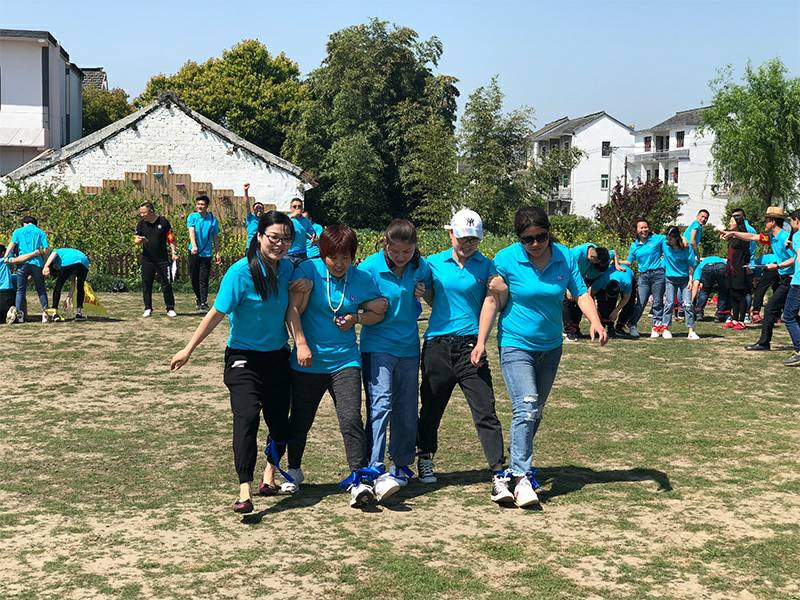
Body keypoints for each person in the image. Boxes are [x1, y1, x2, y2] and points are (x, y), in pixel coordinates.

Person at [472, 207, 608, 508]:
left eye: (541, 237)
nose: (535, 244)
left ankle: (513, 465)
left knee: (535, 411)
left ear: (549, 233)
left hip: (550, 346)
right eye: (528, 239)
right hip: (516, 343)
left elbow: (580, 293)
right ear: (519, 239)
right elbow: (492, 301)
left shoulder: (564, 256)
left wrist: (596, 322)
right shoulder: (506, 259)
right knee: (527, 405)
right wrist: (481, 341)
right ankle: (522, 477)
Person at [170, 211, 299, 514]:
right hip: (243, 359)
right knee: (247, 416)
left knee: (280, 423)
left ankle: (269, 474)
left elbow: (296, 301)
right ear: (259, 236)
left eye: (286, 239)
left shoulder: (288, 269)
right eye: (274, 237)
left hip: (277, 357)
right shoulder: (240, 272)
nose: (279, 244)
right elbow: (216, 313)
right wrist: (188, 349)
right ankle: (244, 489)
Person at [284, 225, 389, 507]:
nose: (339, 263)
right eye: (333, 257)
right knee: (301, 419)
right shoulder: (308, 269)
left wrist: (358, 317)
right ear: (323, 254)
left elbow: (378, 311)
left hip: (345, 360)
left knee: (350, 418)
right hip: (308, 361)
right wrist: (301, 344)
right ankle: (294, 469)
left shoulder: (361, 278)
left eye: (346, 257)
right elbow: (291, 308)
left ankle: (359, 477)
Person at [416, 209, 512, 505]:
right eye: (463, 238)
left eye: (474, 239)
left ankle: (499, 472)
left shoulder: (487, 266)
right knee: (432, 406)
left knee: (485, 409)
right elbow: (429, 295)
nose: (468, 244)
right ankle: (425, 457)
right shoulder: (432, 263)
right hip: (437, 344)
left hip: (472, 345)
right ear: (451, 234)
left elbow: (495, 302)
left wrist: (502, 292)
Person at [358, 219, 432, 501]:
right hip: (377, 346)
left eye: (407, 251)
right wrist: (368, 304)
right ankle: (374, 466)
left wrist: (423, 292)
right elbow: (352, 299)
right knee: (381, 404)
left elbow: (434, 288)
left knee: (406, 407)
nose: (401, 257)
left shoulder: (420, 267)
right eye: (396, 251)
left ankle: (401, 464)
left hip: (409, 348)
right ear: (385, 244)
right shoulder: (369, 269)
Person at [723, 207, 796, 352]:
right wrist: (733, 233)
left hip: (791, 279)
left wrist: (777, 265)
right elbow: (752, 237)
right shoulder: (771, 237)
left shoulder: (784, 238)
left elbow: (796, 258)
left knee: (775, 311)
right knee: (785, 313)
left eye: (766, 220)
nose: (764, 223)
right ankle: (764, 342)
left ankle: (764, 343)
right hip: (784, 278)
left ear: (773, 222)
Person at [621, 219, 667, 338]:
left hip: (658, 275)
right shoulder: (634, 246)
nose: (644, 230)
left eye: (645, 227)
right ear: (637, 230)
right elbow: (629, 262)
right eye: (641, 228)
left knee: (658, 302)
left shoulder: (657, 239)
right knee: (640, 303)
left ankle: (656, 327)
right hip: (644, 277)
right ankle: (632, 325)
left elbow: (672, 239)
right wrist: (616, 261)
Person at [2, 216, 50, 323]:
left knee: (20, 290)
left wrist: (6, 256)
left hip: (22, 263)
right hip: (37, 263)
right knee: (41, 289)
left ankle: (20, 315)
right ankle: (45, 314)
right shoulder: (41, 232)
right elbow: (46, 250)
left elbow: (12, 244)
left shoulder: (18, 231)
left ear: (25, 223)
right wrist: (46, 265)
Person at [135, 202, 178, 318]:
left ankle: (170, 308)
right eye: (140, 213)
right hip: (147, 259)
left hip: (162, 259)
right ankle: (148, 308)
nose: (142, 215)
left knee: (166, 283)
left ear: (151, 211)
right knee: (146, 284)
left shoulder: (163, 222)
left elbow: (170, 238)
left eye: (144, 212)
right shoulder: (141, 224)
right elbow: (136, 240)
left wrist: (173, 252)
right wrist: (140, 241)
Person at [563, 243, 611, 341]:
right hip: (566, 279)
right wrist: (567, 288)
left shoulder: (595, 249)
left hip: (579, 280)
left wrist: (617, 264)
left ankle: (575, 328)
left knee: (581, 304)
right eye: (597, 263)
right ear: (593, 257)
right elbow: (564, 270)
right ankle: (568, 331)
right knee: (568, 303)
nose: (596, 265)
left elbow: (613, 253)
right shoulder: (576, 254)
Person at [661, 226, 698, 339]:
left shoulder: (686, 248)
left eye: (671, 238)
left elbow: (691, 264)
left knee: (688, 304)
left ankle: (691, 330)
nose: (668, 240)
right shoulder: (665, 244)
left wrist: (691, 280)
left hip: (684, 279)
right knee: (669, 303)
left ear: (676, 238)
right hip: (670, 279)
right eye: (667, 237)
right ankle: (665, 328)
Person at [187, 194, 221, 312]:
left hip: (206, 253)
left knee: (203, 278)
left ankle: (203, 301)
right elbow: (191, 231)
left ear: (207, 206)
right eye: (198, 204)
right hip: (194, 252)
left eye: (202, 204)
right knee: (194, 277)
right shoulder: (192, 217)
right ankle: (198, 297)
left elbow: (215, 237)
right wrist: (194, 246)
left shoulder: (212, 220)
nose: (200, 206)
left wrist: (218, 252)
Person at [42, 248, 90, 322]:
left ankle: (55, 312)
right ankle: (79, 314)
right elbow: (73, 282)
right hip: (84, 262)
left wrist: (46, 266)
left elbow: (54, 253)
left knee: (58, 285)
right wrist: (69, 297)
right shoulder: (67, 253)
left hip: (69, 261)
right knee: (80, 286)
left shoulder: (56, 252)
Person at [590, 264, 638, 338]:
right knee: (604, 303)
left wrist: (616, 311)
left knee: (629, 305)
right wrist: (595, 311)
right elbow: (590, 293)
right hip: (610, 274)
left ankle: (619, 327)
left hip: (627, 272)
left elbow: (626, 298)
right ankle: (603, 324)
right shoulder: (602, 280)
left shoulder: (627, 282)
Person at [723, 215, 751, 331]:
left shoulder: (742, 237)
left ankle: (741, 320)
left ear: (738, 223)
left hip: (739, 269)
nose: (729, 223)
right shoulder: (732, 237)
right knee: (733, 294)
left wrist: (745, 265)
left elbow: (747, 253)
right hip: (730, 269)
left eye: (732, 221)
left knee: (740, 295)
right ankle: (734, 319)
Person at [780, 210, 800, 366]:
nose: (791, 224)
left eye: (791, 221)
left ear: (797, 220)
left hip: (798, 282)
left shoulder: (798, 235)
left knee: (788, 316)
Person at [691, 256, 729, 322]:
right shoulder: (721, 260)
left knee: (704, 291)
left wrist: (690, 302)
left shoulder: (699, 266)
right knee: (723, 291)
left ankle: (699, 312)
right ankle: (720, 314)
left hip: (707, 267)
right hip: (721, 266)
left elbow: (695, 285)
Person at [749, 253, 779, 323]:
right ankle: (777, 316)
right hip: (781, 266)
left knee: (760, 289)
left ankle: (755, 313)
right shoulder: (771, 255)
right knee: (777, 290)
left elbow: (757, 278)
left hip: (771, 266)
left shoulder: (755, 264)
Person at [286, 197, 313, 266]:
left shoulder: (306, 221)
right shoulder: (286, 219)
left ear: (302, 209)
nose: (297, 208)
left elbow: (312, 234)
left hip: (302, 254)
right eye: (294, 207)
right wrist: (292, 216)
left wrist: (314, 238)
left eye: (299, 206)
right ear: (290, 208)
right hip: (288, 254)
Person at [243, 183, 265, 249]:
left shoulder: (264, 220)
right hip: (251, 246)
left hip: (261, 247)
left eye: (261, 208)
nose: (259, 210)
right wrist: (246, 191)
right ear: (253, 210)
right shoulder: (250, 218)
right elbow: (247, 205)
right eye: (257, 208)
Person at [0, 244, 17, 323]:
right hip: (6, 292)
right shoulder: (6, 260)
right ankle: (13, 311)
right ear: (3, 253)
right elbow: (11, 251)